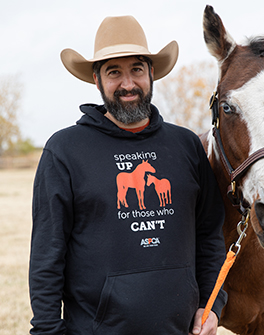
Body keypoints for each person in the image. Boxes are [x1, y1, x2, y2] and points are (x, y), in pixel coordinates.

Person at [29, 15, 227, 335]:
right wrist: (48, 330)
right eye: (113, 72)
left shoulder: (186, 146)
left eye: (136, 69)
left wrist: (212, 305)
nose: (128, 84)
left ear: (151, 73)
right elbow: (47, 255)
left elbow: (209, 236)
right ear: (96, 80)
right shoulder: (65, 151)